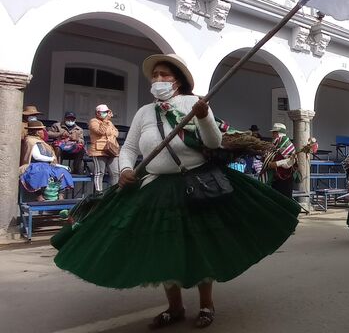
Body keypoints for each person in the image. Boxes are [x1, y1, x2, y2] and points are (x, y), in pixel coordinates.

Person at [52, 53, 300, 329]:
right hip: (157, 188)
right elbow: (130, 148)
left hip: (196, 184)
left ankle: (206, 304)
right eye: (155, 75)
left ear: (178, 80)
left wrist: (204, 117)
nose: (158, 80)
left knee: (200, 245)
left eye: (164, 75)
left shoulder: (194, 103)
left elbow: (213, 140)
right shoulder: (145, 112)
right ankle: (175, 307)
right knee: (164, 247)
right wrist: (124, 170)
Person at [20, 120, 74, 201]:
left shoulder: (43, 142)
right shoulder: (30, 140)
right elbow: (36, 156)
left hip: (47, 165)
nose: (43, 132)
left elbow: (51, 160)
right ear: (37, 132)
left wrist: (61, 166)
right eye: (42, 130)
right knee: (42, 173)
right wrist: (51, 158)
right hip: (35, 165)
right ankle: (39, 195)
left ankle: (61, 195)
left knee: (62, 171)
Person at [259, 123, 297, 198]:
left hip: (285, 178)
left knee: (284, 199)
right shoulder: (276, 143)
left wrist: (275, 164)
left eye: (274, 132)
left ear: (278, 133)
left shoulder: (287, 144)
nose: (272, 134)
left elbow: (289, 162)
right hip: (276, 177)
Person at [88, 104, 120, 192]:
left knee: (116, 173)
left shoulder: (110, 123)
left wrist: (110, 130)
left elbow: (116, 133)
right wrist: (105, 121)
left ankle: (115, 192)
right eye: (104, 112)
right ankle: (99, 192)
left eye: (107, 112)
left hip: (112, 151)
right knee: (99, 172)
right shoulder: (93, 121)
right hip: (99, 151)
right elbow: (100, 131)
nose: (106, 114)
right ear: (98, 113)